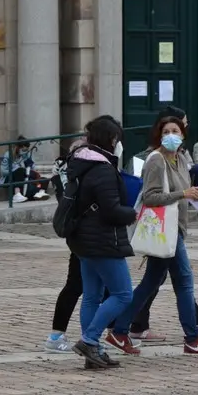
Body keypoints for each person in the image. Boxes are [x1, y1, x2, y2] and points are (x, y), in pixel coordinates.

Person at [106, 116, 198, 357]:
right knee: (184, 281)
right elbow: (151, 197)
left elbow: (184, 193)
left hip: (175, 227)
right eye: (166, 131)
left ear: (183, 134)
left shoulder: (181, 159)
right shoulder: (156, 160)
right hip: (165, 230)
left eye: (175, 131)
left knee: (151, 281)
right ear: (159, 135)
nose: (171, 135)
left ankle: (119, 330)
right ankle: (192, 338)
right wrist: (183, 194)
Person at [67, 116, 137, 369]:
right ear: (111, 139)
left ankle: (93, 352)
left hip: (83, 239)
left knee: (92, 296)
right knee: (123, 294)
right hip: (102, 240)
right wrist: (132, 213)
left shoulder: (82, 163)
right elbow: (111, 210)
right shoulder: (103, 169)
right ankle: (90, 340)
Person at [0, 137, 50, 203]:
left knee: (44, 179)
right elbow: (3, 172)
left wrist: (31, 167)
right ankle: (17, 194)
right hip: (10, 178)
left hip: (24, 177)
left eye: (26, 150)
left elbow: (32, 167)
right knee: (19, 171)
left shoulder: (26, 155)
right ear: (18, 147)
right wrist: (15, 170)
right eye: (23, 150)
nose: (25, 152)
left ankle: (40, 192)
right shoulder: (8, 155)